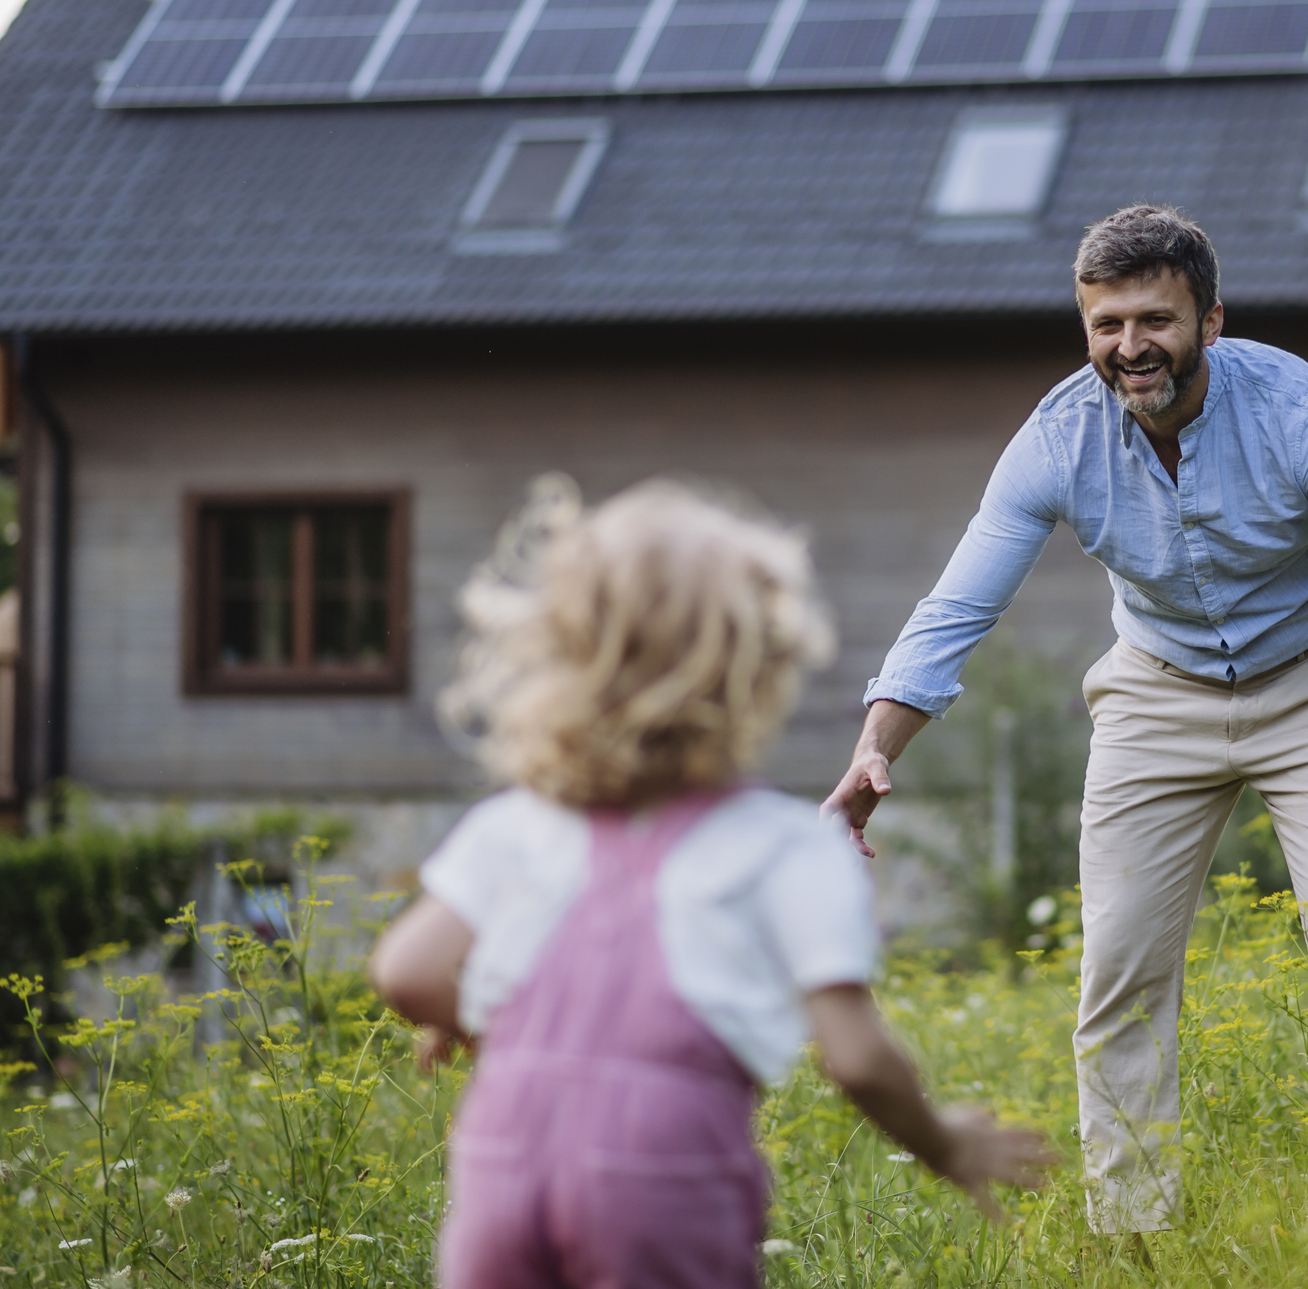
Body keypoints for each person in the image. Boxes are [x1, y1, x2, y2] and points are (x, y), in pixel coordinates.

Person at [824, 205, 1308, 1234]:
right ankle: (1132, 1233)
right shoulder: (1056, 439)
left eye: (1154, 319)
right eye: (1106, 324)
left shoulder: (1298, 409)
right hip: (1156, 688)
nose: (1130, 346)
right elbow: (958, 607)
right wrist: (876, 744)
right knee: (1120, 964)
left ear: (1209, 321)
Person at [369, 477, 1052, 1289]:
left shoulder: (518, 821)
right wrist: (942, 1141)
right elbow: (858, 1059)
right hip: (665, 1170)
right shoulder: (786, 846)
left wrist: (485, 1022)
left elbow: (406, 971)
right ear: (760, 668)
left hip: (502, 1154)